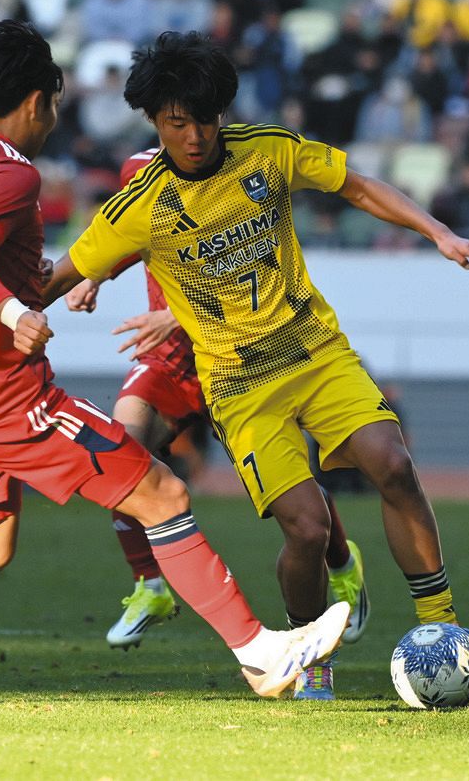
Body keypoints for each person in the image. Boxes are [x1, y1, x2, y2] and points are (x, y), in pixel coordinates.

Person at [0, 21, 349, 708]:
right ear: (39, 99)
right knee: (162, 494)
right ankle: (261, 654)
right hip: (9, 395)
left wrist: (1, 287)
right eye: (55, 102)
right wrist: (14, 313)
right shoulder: (14, 173)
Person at [42, 31, 469, 692]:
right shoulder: (140, 204)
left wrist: (437, 230)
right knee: (307, 525)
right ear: (155, 122)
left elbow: (355, 183)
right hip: (240, 387)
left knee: (394, 462)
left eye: (206, 119)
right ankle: (309, 656)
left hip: (316, 352)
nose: (196, 135)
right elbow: (57, 273)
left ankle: (448, 625)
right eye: (178, 123)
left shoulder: (266, 150)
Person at [66, 148, 370, 701]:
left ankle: (343, 565)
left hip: (241, 358)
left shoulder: (241, 165)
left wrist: (170, 313)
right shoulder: (139, 172)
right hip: (173, 361)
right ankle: (150, 584)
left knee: (296, 504)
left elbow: (246, 263)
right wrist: (94, 276)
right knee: (118, 450)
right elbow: (129, 236)